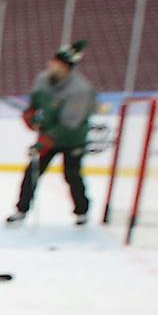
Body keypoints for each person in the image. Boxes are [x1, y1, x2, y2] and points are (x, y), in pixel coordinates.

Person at [7, 39, 96, 226]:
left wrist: (43, 142)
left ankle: (82, 211)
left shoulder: (80, 89)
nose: (50, 65)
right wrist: (30, 115)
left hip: (72, 137)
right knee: (32, 171)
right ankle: (21, 209)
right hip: (48, 135)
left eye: (55, 63)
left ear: (65, 67)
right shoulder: (43, 79)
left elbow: (70, 124)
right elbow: (36, 104)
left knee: (71, 174)